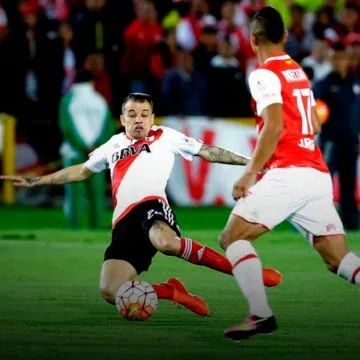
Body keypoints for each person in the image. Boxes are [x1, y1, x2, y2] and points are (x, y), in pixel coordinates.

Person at [1, 92, 279, 317]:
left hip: (152, 207)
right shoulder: (112, 145)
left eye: (144, 114)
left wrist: (251, 163)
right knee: (111, 291)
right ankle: (172, 292)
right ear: (122, 119)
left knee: (165, 241)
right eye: (132, 114)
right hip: (124, 223)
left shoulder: (166, 136)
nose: (139, 120)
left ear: (152, 117)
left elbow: (208, 151)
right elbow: (82, 170)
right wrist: (38, 181)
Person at [219, 7, 360, 341]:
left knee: (233, 238)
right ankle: (260, 314)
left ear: (252, 39)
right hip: (315, 174)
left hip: (290, 172)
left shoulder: (262, 74)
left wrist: (249, 174)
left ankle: (260, 314)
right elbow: (312, 118)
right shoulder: (297, 71)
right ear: (284, 36)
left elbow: (274, 125)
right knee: (337, 258)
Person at [59, 69, 115, 229]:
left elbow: (66, 127)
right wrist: (96, 146)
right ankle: (95, 227)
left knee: (75, 194)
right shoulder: (100, 100)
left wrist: (82, 146)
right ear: (92, 82)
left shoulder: (68, 100)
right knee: (96, 194)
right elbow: (108, 127)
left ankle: (74, 227)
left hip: (74, 154)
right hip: (96, 155)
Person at [314, 42, 360, 230]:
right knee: (324, 184)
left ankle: (350, 224)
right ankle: (317, 222)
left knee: (349, 185)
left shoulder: (355, 82)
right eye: (334, 58)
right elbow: (315, 110)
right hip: (331, 141)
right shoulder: (323, 85)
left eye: (341, 58)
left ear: (348, 59)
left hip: (350, 142)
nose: (337, 62)